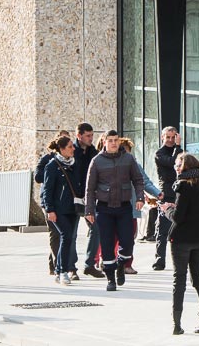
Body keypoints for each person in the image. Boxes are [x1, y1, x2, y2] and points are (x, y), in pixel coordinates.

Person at [84, 130, 145, 292]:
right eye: (110, 140)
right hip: (104, 209)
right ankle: (111, 279)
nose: (113, 143)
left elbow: (138, 180)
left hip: (124, 207)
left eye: (116, 140)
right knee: (107, 244)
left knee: (128, 243)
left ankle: (120, 264)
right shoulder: (97, 161)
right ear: (104, 142)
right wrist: (89, 210)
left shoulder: (128, 159)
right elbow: (89, 189)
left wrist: (140, 198)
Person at [165, 152, 199, 335]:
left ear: (184, 166)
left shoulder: (184, 187)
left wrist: (168, 210)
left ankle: (176, 325)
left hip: (182, 239)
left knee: (179, 280)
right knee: (198, 279)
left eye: (178, 165)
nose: (176, 168)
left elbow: (178, 217)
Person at [40, 135, 83, 286]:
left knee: (69, 238)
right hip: (58, 210)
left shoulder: (74, 164)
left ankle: (59, 270)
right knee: (65, 236)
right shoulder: (52, 165)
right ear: (62, 149)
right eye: (70, 146)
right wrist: (49, 209)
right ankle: (63, 271)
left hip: (73, 208)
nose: (73, 149)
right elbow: (47, 190)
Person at [119, 138, 163, 274]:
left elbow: (145, 181)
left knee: (129, 236)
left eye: (127, 152)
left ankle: (126, 264)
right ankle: (110, 261)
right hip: (110, 206)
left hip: (130, 206)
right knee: (112, 237)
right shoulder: (106, 163)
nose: (125, 155)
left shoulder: (134, 165)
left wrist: (158, 194)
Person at [35, 132, 71, 277]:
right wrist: (54, 171)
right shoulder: (48, 160)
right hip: (49, 201)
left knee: (64, 234)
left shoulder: (71, 161)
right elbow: (38, 177)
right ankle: (57, 266)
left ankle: (56, 264)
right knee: (56, 234)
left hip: (65, 203)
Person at [72, 122, 104, 279]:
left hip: (89, 197)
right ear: (79, 136)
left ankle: (89, 264)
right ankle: (71, 268)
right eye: (88, 136)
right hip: (72, 197)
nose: (91, 138)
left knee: (96, 229)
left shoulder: (93, 152)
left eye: (92, 135)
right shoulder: (71, 150)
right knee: (71, 233)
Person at [153, 126, 183, 271]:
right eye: (168, 137)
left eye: (173, 137)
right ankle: (159, 261)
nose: (171, 140)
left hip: (179, 193)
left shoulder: (180, 151)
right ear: (162, 137)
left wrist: (178, 147)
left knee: (180, 228)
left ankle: (182, 260)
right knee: (163, 229)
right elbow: (172, 162)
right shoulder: (159, 153)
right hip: (166, 193)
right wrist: (177, 146)